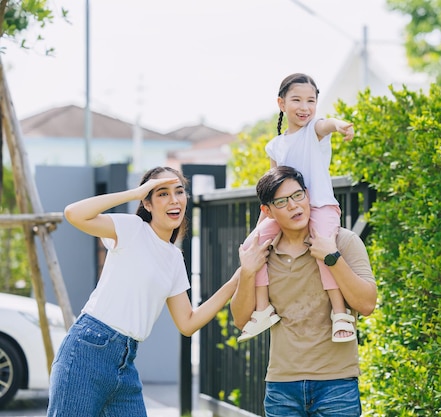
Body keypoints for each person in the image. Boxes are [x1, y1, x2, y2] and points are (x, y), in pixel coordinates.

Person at [47, 166, 237, 417]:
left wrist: (237, 279)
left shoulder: (173, 259)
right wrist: (135, 192)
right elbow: (74, 213)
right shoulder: (132, 229)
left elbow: (187, 323)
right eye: (161, 194)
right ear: (146, 203)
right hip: (88, 350)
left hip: (125, 363)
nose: (174, 200)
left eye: (179, 192)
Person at [231, 166, 377, 416]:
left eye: (298, 195)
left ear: (308, 195)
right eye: (282, 201)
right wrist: (247, 272)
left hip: (337, 385)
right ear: (267, 211)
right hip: (282, 387)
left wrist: (332, 257)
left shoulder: (344, 241)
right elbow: (240, 319)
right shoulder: (262, 253)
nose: (294, 206)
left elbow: (366, 305)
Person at [238, 72, 356, 343]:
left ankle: (340, 313)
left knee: (323, 248)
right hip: (285, 212)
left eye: (311, 101)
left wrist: (341, 126)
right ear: (281, 104)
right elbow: (272, 187)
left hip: (320, 207)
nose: (305, 107)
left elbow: (327, 124)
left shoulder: (314, 130)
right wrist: (261, 224)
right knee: (251, 247)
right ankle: (263, 308)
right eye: (297, 100)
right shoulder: (275, 146)